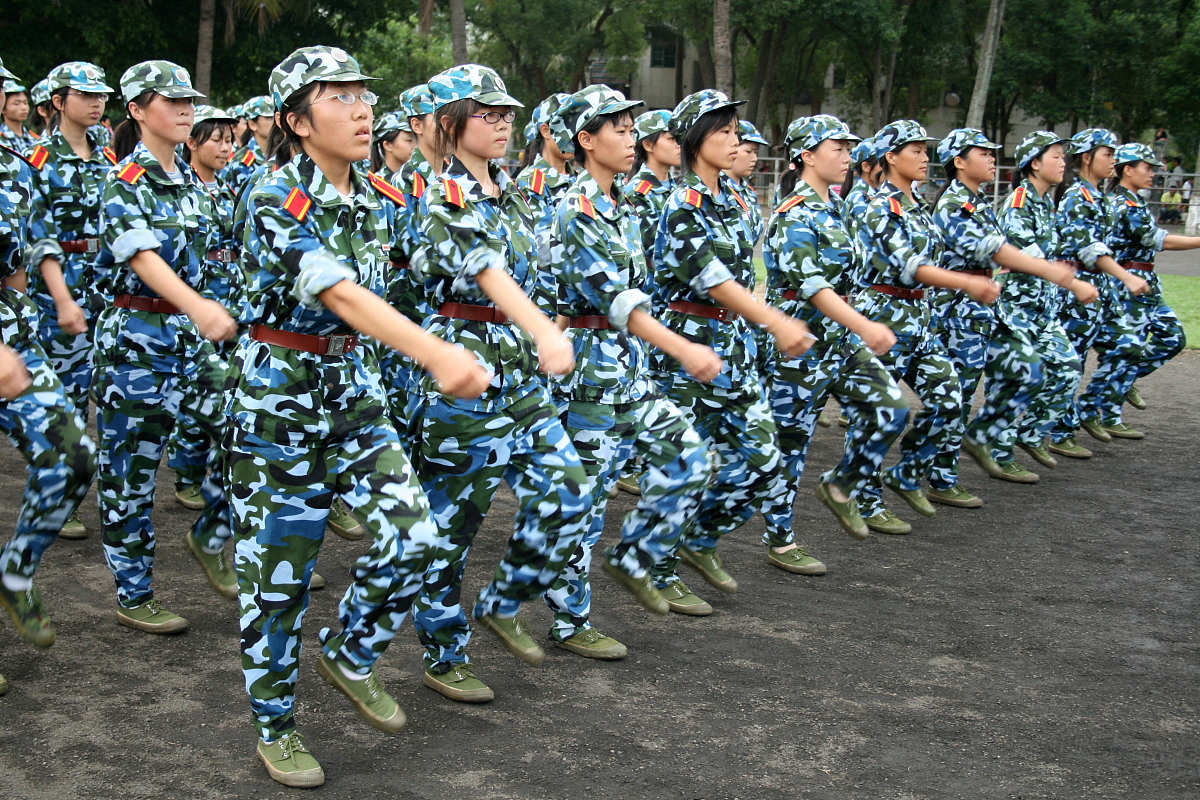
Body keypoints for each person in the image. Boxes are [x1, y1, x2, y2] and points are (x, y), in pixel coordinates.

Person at [230, 46, 491, 787]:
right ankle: (276, 725)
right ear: (296, 120)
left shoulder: (382, 195)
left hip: (354, 396)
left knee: (416, 538)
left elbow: (439, 256)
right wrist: (436, 354)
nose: (360, 107)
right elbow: (336, 291)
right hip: (278, 401)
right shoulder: (273, 193)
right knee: (280, 577)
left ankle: (348, 650)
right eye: (337, 96)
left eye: (362, 94)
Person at [410, 64, 589, 703]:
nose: (503, 123)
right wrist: (544, 329)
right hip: (463, 369)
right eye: (487, 114)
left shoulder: (512, 191)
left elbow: (539, 269)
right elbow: (484, 267)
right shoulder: (439, 191)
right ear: (450, 123)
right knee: (452, 527)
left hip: (516, 366)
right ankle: (443, 650)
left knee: (570, 490)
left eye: (508, 113)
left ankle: (503, 599)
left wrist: (549, 325)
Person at [541, 84, 717, 659]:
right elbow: (616, 299)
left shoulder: (621, 206)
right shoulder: (577, 209)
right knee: (584, 509)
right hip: (591, 382)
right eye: (614, 128)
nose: (628, 137)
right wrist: (683, 348)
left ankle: (635, 557)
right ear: (585, 141)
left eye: (629, 126)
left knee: (690, 456)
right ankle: (569, 622)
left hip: (630, 374)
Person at [93, 60, 237, 631]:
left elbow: (220, 260)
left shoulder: (195, 186)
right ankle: (134, 592)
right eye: (169, 101)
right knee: (130, 471)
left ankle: (209, 534)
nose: (184, 110)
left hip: (189, 341)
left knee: (250, 431)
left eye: (188, 102)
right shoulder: (123, 182)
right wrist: (198, 305)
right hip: (135, 341)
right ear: (136, 110)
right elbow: (142, 257)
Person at [650, 89, 811, 596]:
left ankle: (700, 538)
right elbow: (713, 278)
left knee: (764, 460)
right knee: (681, 468)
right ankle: (658, 567)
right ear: (696, 139)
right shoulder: (681, 204)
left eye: (734, 130)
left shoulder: (738, 198)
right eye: (722, 131)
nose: (734, 139)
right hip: (687, 348)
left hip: (734, 348)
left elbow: (743, 274)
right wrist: (777, 322)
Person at [758, 114, 906, 568]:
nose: (846, 156)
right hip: (801, 343)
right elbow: (814, 288)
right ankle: (780, 540)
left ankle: (840, 484)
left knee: (891, 407)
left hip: (840, 341)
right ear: (806, 156)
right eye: (836, 148)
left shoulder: (839, 207)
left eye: (847, 148)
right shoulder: (794, 215)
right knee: (790, 444)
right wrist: (866, 325)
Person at [0, 56, 97, 684]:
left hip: (15, 330)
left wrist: (59, 297)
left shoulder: (10, 162)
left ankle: (15, 572)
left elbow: (32, 239)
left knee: (73, 457)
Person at [853, 120, 997, 532]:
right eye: (914, 150)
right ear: (890, 157)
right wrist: (968, 281)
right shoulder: (878, 206)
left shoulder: (919, 206)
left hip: (921, 319)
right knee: (881, 412)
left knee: (951, 400)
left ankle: (906, 472)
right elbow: (909, 266)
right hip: (884, 316)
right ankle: (864, 498)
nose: (924, 157)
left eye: (925, 150)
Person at [927, 128, 1086, 496]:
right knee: (959, 397)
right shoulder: (955, 204)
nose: (993, 159)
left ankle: (984, 437)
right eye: (983, 153)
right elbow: (996, 250)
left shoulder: (980, 201)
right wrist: (1059, 274)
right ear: (960, 162)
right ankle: (939, 479)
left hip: (987, 310)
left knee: (1029, 368)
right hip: (959, 311)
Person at [25, 62, 117, 539]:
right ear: (58, 102)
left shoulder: (105, 151)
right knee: (66, 397)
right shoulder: (38, 157)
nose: (97, 102)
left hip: (104, 285)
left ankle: (89, 492)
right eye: (85, 95)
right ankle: (59, 494)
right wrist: (62, 301)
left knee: (103, 391)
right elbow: (39, 240)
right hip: (60, 286)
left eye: (101, 94)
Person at [992, 131, 1096, 470]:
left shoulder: (1045, 204)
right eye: (1056, 156)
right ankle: (998, 451)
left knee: (1067, 369)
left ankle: (1032, 433)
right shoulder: (1018, 203)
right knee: (1014, 379)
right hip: (1016, 308)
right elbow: (1029, 257)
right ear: (1034, 164)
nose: (1064, 162)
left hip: (1043, 309)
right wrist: (1073, 281)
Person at [1049, 128, 1149, 456]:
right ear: (1087, 158)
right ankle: (1059, 432)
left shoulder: (1099, 197)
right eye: (1108, 154)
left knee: (1129, 346)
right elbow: (1089, 248)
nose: (1114, 160)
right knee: (1072, 363)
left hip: (1100, 291)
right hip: (1077, 293)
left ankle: (1090, 410)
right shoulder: (1078, 195)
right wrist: (1127, 278)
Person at [1101, 143, 1198, 430]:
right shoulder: (1123, 204)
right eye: (1147, 167)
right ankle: (1108, 416)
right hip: (1128, 284)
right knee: (1129, 348)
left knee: (1173, 338)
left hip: (1145, 283)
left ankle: (1125, 380)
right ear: (1127, 170)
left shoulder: (1134, 201)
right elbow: (1160, 240)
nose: (1153, 173)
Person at [515, 92, 573, 317]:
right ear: (545, 131)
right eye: (565, 124)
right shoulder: (533, 181)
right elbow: (543, 250)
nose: (573, 132)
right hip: (547, 300)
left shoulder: (578, 179)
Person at [223, 94, 273, 199]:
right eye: (268, 118)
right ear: (252, 125)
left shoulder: (282, 153)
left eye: (275, 117)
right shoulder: (241, 161)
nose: (275, 122)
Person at [369, 110, 413, 177]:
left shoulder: (421, 179)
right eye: (409, 140)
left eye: (417, 141)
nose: (416, 146)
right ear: (387, 145)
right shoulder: (375, 184)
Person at [0, 80, 35, 155]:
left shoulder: (34, 138)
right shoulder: (1, 139)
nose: (23, 107)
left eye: (25, 103)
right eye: (16, 103)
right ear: (2, 107)